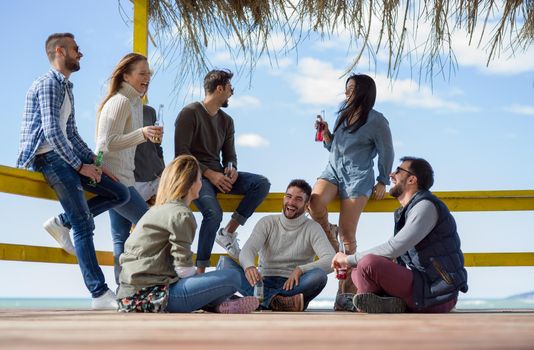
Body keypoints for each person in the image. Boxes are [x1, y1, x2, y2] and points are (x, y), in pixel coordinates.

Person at [16, 33, 131, 309]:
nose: (81, 53)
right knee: (83, 223)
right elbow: (53, 133)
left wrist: (95, 163)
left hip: (65, 157)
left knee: (119, 192)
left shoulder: (67, 87)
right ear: (60, 51)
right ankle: (99, 294)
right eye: (76, 49)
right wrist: (81, 166)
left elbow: (70, 133)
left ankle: (61, 221)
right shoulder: (47, 84)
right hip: (49, 158)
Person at [117, 155, 259, 313]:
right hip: (155, 298)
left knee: (213, 282)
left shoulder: (157, 210)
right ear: (190, 183)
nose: (201, 184)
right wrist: (207, 284)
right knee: (233, 277)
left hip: (128, 297)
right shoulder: (181, 214)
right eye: (199, 179)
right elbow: (184, 270)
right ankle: (216, 303)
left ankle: (218, 303)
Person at [331, 157, 468, 313]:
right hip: (421, 286)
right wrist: (352, 264)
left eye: (398, 171)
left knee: (367, 264)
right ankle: (382, 303)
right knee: (358, 270)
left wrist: (347, 259)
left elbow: (393, 248)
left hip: (437, 292)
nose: (391, 174)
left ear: (412, 179)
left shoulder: (425, 206)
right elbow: (392, 251)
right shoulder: (408, 211)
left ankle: (362, 304)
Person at [174, 69, 271, 273]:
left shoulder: (227, 121)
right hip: (195, 176)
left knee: (262, 183)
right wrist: (209, 174)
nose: (231, 93)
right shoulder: (189, 113)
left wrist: (230, 169)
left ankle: (228, 232)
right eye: (230, 88)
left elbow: (230, 155)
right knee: (213, 213)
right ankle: (200, 272)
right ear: (219, 89)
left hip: (219, 175)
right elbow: (181, 155)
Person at [308, 74, 394, 299]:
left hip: (358, 178)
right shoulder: (342, 115)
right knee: (314, 203)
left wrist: (383, 180)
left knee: (348, 236)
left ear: (364, 92)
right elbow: (334, 147)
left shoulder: (377, 121)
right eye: (346, 89)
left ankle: (346, 291)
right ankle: (329, 233)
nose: (346, 93)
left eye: (352, 89)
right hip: (333, 172)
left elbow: (387, 151)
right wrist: (326, 133)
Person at [217, 179, 335, 311]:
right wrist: (249, 266)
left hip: (293, 286)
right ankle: (277, 302)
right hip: (262, 282)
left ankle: (259, 301)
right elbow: (248, 250)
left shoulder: (313, 228)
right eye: (289, 197)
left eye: (298, 199)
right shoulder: (267, 222)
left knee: (319, 276)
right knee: (224, 263)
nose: (291, 202)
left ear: (307, 205)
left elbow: (331, 259)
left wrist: (301, 269)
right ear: (284, 198)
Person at [96, 53, 163, 283]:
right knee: (150, 227)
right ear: (126, 75)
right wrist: (142, 134)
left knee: (120, 237)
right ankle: (145, 284)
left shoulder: (135, 103)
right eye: (142, 73)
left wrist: (145, 137)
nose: (147, 78)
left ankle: (122, 289)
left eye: (149, 74)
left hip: (125, 179)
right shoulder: (120, 101)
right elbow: (107, 143)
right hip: (115, 180)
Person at [133, 104, 165, 206]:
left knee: (157, 221)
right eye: (143, 86)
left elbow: (157, 147)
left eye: (147, 86)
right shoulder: (116, 107)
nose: (145, 88)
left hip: (155, 179)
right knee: (122, 222)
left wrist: (164, 173)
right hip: (131, 180)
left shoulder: (149, 111)